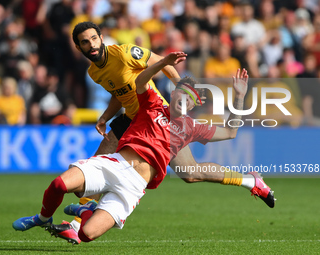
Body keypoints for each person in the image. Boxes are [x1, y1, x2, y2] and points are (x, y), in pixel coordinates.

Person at [46, 21, 275, 245]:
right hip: (130, 120)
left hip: (151, 117)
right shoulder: (94, 72)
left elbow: (162, 65)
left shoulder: (126, 54)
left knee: (191, 173)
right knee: (93, 168)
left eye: (94, 38)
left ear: (101, 38)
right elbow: (120, 91)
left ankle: (249, 181)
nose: (91, 44)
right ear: (79, 47)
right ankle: (77, 225)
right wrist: (105, 116)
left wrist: (184, 87)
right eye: (85, 42)